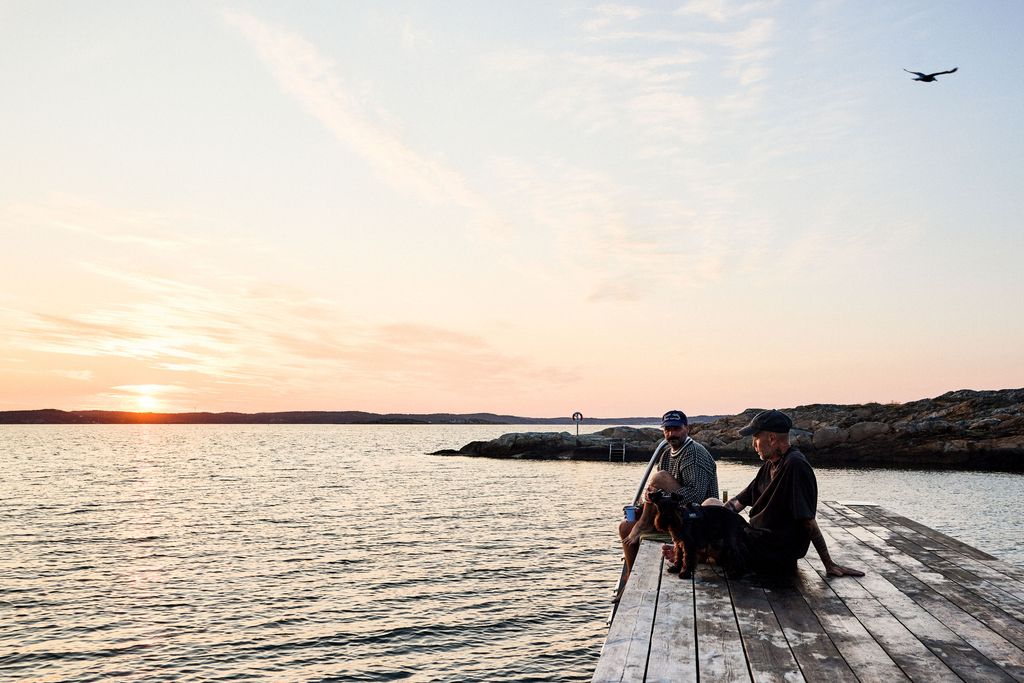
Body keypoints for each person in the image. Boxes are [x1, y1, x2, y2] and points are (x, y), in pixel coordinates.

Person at [722, 409, 863, 577]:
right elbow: (738, 502)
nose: (753, 445)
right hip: (757, 539)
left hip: (774, 548)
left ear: (772, 438)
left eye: (756, 437)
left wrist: (829, 564)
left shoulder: (795, 465)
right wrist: (712, 517)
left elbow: (807, 520)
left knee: (712, 542)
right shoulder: (770, 464)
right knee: (710, 506)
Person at [618, 409, 719, 580]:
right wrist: (648, 501)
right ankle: (630, 577)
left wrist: (660, 496)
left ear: (687, 428)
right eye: (667, 429)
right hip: (672, 514)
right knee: (625, 527)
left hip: (695, 518)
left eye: (676, 429)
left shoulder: (694, 454)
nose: (671, 434)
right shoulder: (665, 454)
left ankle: (643, 524)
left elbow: (697, 496)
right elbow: (660, 493)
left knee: (659, 477)